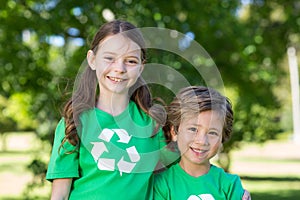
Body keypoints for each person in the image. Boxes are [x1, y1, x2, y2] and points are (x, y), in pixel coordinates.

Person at [46, 20, 168, 200]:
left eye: (131, 61)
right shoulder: (74, 123)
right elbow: (60, 196)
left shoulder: (153, 124)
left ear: (141, 67)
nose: (119, 68)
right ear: (92, 60)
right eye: (110, 58)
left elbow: (165, 185)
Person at [154, 86, 251, 200]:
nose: (201, 141)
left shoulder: (230, 184)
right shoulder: (162, 184)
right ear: (174, 132)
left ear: (222, 139)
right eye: (193, 129)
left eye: (212, 133)